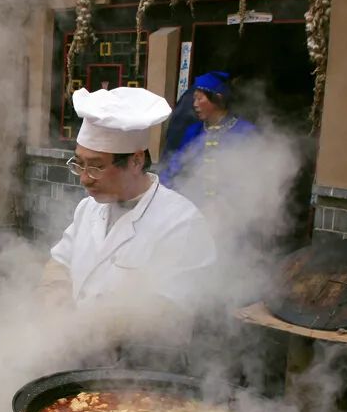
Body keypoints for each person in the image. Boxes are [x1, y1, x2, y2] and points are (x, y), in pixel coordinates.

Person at [41, 87, 216, 339]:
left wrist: (91, 327)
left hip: (138, 368)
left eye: (96, 167)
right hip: (76, 354)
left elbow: (170, 310)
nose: (84, 178)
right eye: (79, 163)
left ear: (135, 161)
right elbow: (60, 262)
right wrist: (54, 297)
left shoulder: (181, 222)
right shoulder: (88, 208)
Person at [158, 71, 257, 203]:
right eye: (194, 99)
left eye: (199, 99)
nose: (194, 104)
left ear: (218, 98)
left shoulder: (246, 132)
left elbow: (255, 177)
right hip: (197, 209)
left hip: (233, 211)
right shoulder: (193, 132)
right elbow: (175, 167)